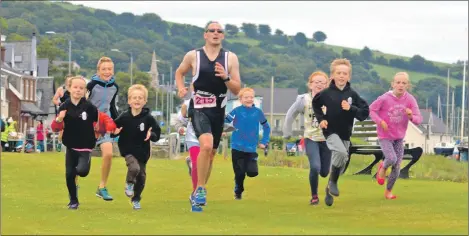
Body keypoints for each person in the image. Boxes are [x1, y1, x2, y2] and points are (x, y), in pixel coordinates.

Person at [175, 20, 241, 208]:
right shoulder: (193, 55)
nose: (215, 33)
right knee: (205, 145)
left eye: (219, 31)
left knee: (211, 154)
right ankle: (201, 188)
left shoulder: (230, 58)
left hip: (218, 109)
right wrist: (181, 88)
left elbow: (237, 89)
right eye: (211, 30)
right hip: (199, 107)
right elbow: (180, 73)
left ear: (223, 35)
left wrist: (226, 77)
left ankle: (197, 191)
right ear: (205, 34)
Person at [312, 58, 369, 206]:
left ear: (349, 76)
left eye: (345, 73)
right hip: (330, 131)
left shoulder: (353, 95)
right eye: (339, 73)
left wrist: (351, 109)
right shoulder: (325, 93)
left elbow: (364, 114)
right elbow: (315, 104)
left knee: (342, 162)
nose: (342, 76)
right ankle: (334, 182)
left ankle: (329, 185)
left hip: (345, 133)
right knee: (342, 153)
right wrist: (321, 119)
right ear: (332, 75)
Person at [174, 96, 235, 212]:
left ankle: (198, 190)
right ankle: (195, 198)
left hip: (210, 138)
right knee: (197, 166)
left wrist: (223, 130)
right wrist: (180, 128)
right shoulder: (189, 103)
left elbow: (222, 120)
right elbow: (179, 120)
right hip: (193, 138)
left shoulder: (217, 101)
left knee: (207, 164)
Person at [369, 72, 422, 199]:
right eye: (398, 82)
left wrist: (410, 116)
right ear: (392, 84)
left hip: (399, 137)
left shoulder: (410, 99)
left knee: (397, 166)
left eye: (404, 83)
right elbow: (371, 110)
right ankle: (382, 167)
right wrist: (380, 122)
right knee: (391, 159)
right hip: (385, 136)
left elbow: (418, 119)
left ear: (407, 85)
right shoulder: (384, 98)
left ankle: (388, 191)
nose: (400, 85)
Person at [50, 76, 100, 209]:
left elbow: (97, 123)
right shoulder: (64, 106)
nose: (78, 90)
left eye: (81, 88)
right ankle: (73, 200)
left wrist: (98, 132)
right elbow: (55, 128)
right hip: (70, 146)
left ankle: (81, 169)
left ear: (85, 91)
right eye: (75, 87)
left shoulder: (90, 107)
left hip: (85, 147)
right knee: (69, 175)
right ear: (69, 89)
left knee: (82, 171)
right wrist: (60, 119)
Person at [283, 71, 331, 205]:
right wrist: (287, 132)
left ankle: (327, 185)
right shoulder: (304, 100)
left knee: (324, 172)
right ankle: (314, 196)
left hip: (327, 140)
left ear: (327, 85)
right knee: (315, 167)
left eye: (323, 82)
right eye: (317, 82)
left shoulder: (332, 99)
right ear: (310, 85)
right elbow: (290, 114)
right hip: (311, 138)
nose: (319, 84)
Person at [112, 84, 161, 210]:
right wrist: (114, 132)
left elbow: (157, 133)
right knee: (134, 168)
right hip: (127, 149)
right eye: (134, 98)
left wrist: (151, 135)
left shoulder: (149, 118)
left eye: (140, 98)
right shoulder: (124, 116)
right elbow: (114, 127)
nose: (137, 100)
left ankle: (136, 198)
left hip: (143, 152)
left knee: (142, 176)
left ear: (144, 101)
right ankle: (129, 183)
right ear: (129, 101)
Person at [224, 87, 270, 200]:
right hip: (237, 147)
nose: (249, 99)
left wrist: (264, 141)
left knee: (252, 172)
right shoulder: (236, 111)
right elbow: (225, 122)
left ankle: (240, 181)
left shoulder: (258, 112)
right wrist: (224, 131)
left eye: (251, 97)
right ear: (240, 99)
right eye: (246, 97)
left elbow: (266, 127)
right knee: (239, 173)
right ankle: (238, 191)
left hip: (251, 148)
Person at [87, 56, 120, 201]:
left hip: (104, 124)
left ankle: (102, 187)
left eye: (110, 69)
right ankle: (73, 186)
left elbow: (112, 107)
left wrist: (117, 124)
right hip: (88, 124)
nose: (107, 72)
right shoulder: (91, 85)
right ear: (98, 71)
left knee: (108, 153)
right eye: (104, 69)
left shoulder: (114, 87)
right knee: (81, 160)